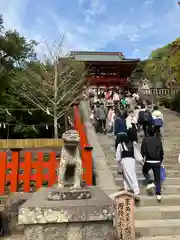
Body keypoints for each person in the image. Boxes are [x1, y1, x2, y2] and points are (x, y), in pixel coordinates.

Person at [116, 132, 143, 201]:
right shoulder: (132, 143)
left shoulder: (120, 144)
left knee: (126, 176)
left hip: (125, 161)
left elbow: (118, 156)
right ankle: (133, 190)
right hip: (132, 161)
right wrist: (140, 160)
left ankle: (131, 190)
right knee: (132, 175)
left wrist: (118, 161)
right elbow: (136, 153)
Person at [141, 127, 164, 201]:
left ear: (147, 133)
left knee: (144, 171)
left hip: (149, 161)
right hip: (157, 161)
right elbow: (161, 152)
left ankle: (150, 181)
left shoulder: (145, 140)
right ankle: (158, 194)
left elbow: (143, 151)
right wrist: (160, 161)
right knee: (157, 179)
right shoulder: (158, 140)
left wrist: (143, 159)